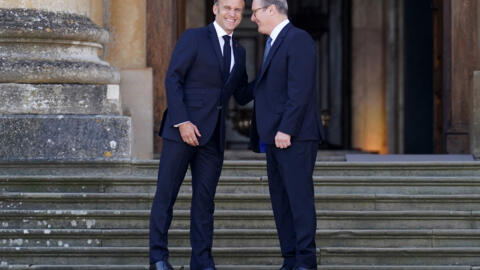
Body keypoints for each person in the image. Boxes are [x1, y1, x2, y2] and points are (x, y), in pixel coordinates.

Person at [148, 0, 247, 269]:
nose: (232, 14)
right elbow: (173, 78)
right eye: (227, 7)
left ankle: (202, 261)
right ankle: (158, 258)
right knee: (165, 196)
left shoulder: (240, 51)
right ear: (215, 8)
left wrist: (273, 77)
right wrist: (183, 122)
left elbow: (242, 93)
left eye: (237, 10)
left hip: (212, 138)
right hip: (181, 132)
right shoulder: (194, 37)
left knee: (204, 203)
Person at [244, 0, 325, 269]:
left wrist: (286, 129)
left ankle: (305, 261)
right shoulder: (272, 43)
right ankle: (290, 258)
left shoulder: (298, 39)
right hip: (274, 137)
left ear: (271, 9)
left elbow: (300, 90)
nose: (252, 18)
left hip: (294, 136)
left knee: (298, 198)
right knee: (281, 200)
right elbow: (263, 86)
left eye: (255, 12)